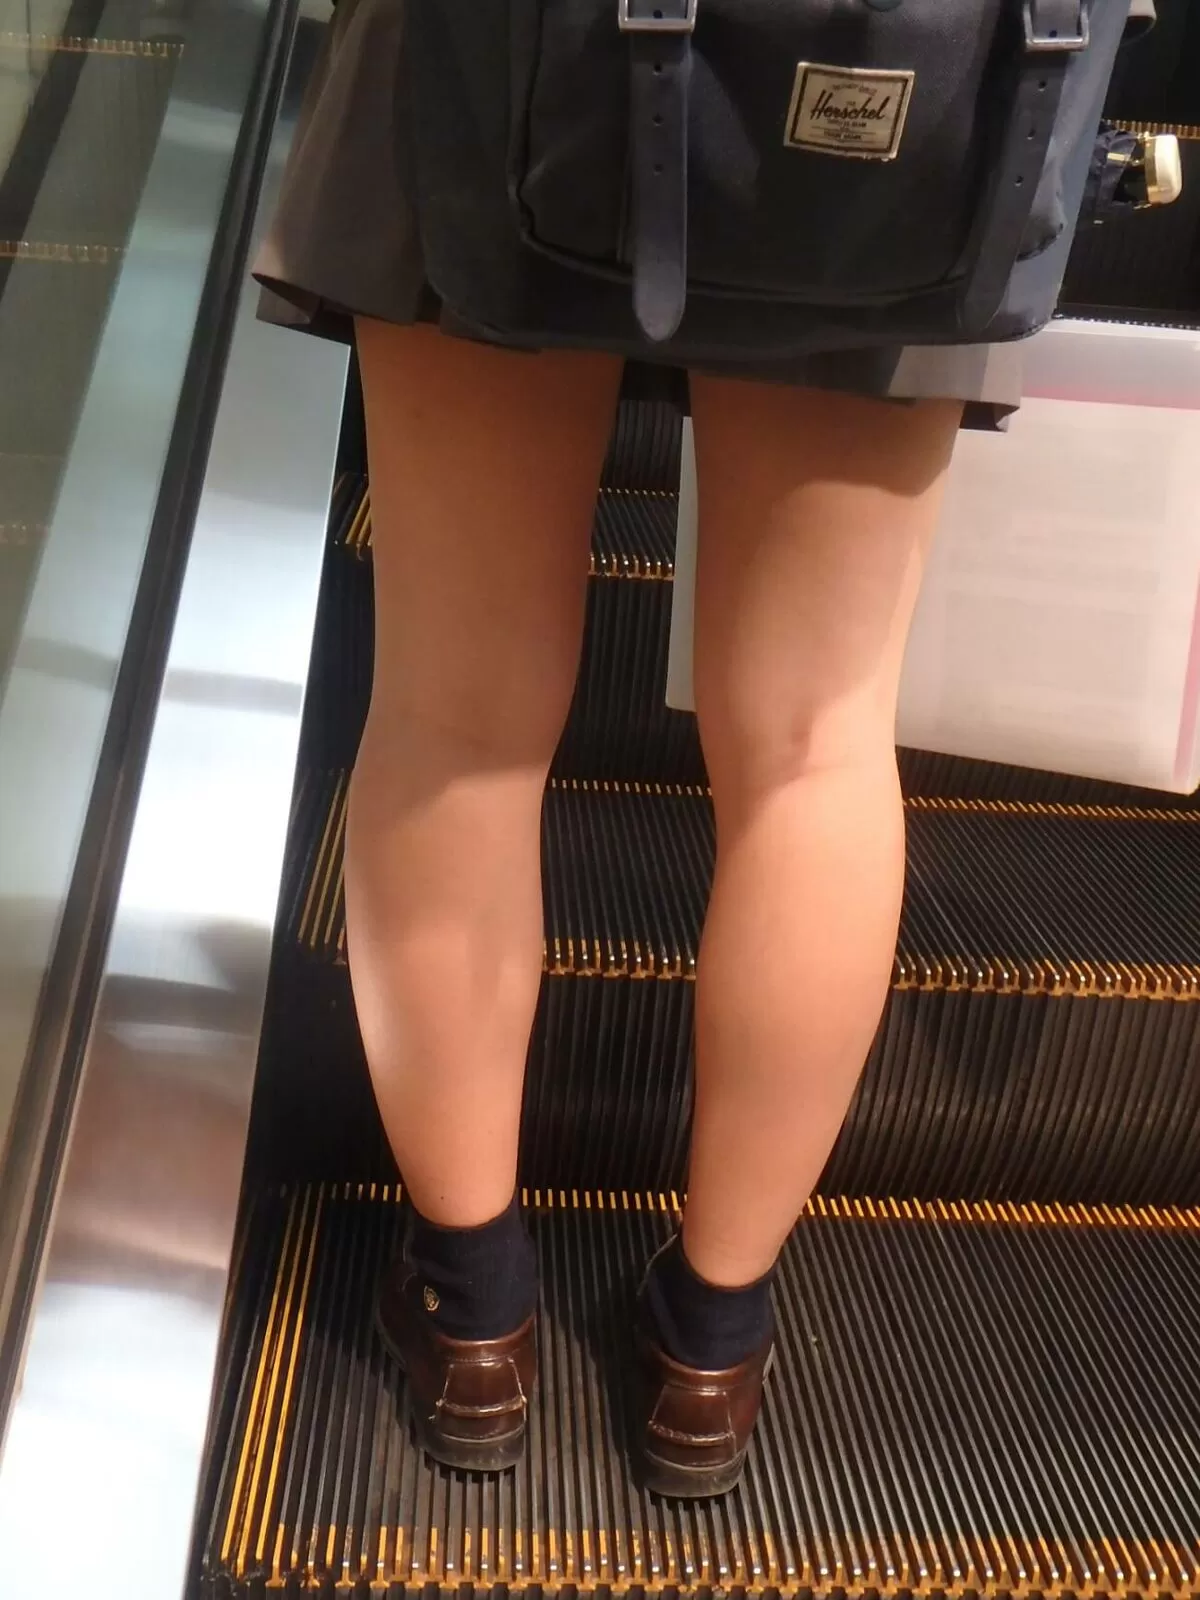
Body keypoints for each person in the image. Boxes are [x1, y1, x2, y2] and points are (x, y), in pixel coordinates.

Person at [255, 0, 1152, 1497]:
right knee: (814, 746)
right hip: (923, 89)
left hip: (488, 65)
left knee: (459, 720)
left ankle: (472, 1320)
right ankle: (710, 1354)